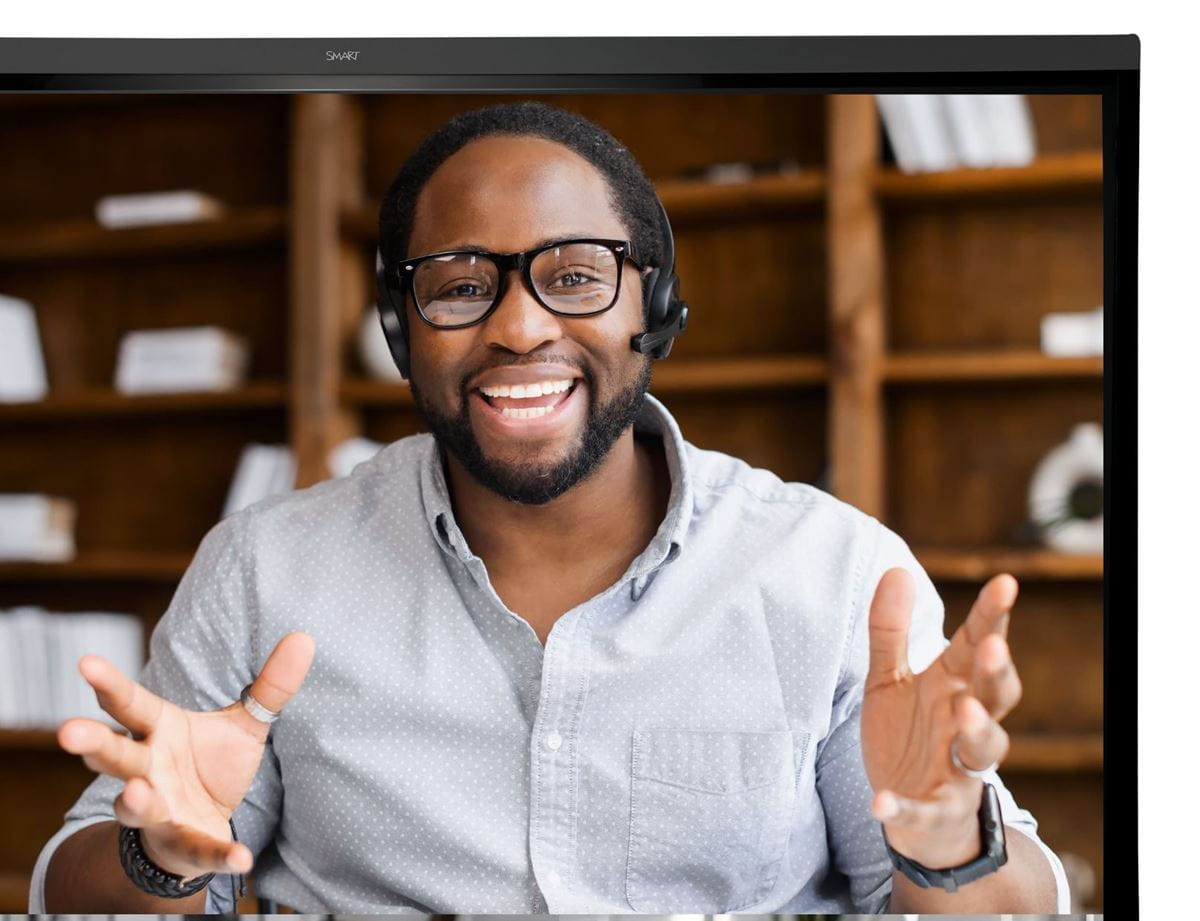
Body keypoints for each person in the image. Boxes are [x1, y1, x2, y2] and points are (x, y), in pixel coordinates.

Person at [34, 101, 1068, 914]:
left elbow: (1013, 910)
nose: (521, 327)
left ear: (653, 310)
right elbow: (69, 894)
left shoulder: (834, 575)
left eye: (576, 276)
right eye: (458, 284)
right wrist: (155, 858)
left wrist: (949, 844)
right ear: (403, 331)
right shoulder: (265, 570)